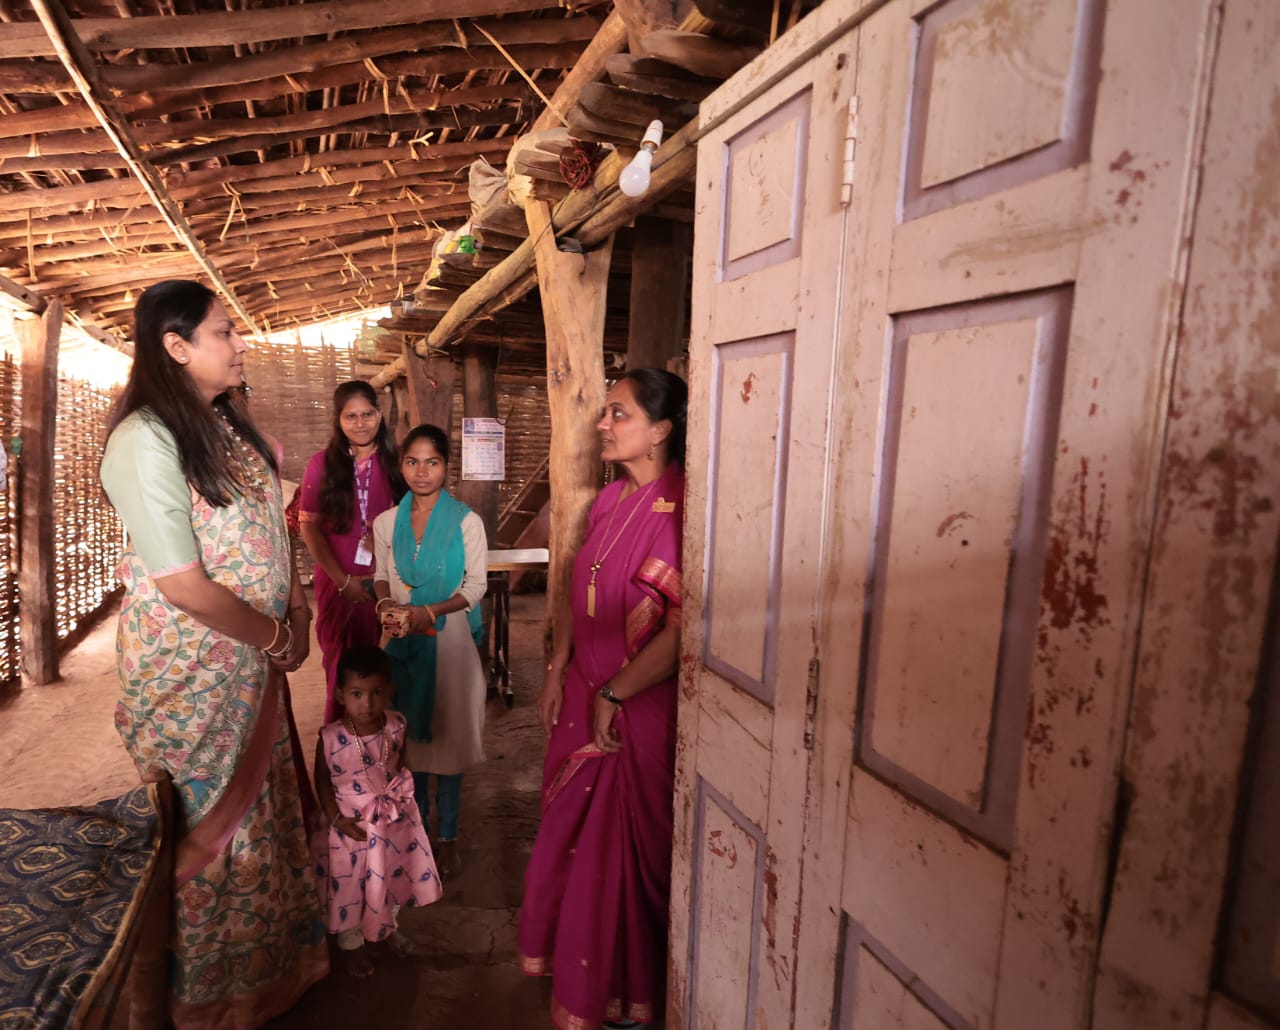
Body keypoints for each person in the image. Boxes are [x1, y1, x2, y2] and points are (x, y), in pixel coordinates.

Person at [99, 279, 327, 1028]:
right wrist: (274, 637)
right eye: (224, 332)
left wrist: (292, 606)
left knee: (260, 825)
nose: (239, 344)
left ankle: (263, 980)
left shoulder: (228, 426)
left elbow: (275, 526)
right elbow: (184, 584)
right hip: (196, 678)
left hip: (251, 671)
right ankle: (199, 1004)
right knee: (207, 841)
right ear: (176, 345)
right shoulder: (145, 440)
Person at [518, 368, 688, 1030]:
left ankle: (627, 990)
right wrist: (559, 662)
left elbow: (683, 627)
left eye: (618, 414)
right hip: (584, 691)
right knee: (568, 838)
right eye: (604, 413)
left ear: (661, 430)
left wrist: (616, 691)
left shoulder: (683, 507)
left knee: (626, 853)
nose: (602, 424)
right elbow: (575, 584)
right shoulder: (610, 503)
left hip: (634, 706)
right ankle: (581, 967)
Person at [373, 423, 488, 876]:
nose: (422, 472)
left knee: (449, 739)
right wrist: (386, 603)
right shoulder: (386, 522)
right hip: (397, 640)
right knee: (410, 746)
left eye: (433, 462)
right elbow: (382, 573)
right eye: (412, 461)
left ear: (447, 467)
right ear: (401, 465)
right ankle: (418, 832)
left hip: (450, 640)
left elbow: (475, 586)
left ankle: (449, 836)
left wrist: (430, 611)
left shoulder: (465, 522)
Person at [313, 645, 443, 977]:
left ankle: (386, 928)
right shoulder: (330, 738)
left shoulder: (397, 725)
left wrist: (411, 812)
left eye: (376, 693)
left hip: (392, 826)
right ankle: (353, 944)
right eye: (357, 693)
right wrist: (337, 819)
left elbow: (403, 765)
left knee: (392, 877)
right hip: (352, 828)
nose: (367, 703)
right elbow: (323, 782)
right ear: (341, 694)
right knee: (352, 886)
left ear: (390, 691)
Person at [298, 380, 404, 723]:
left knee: (384, 670)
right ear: (338, 420)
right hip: (337, 585)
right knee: (342, 672)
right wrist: (344, 582)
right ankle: (340, 755)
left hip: (387, 585)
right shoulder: (322, 465)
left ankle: (383, 757)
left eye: (367, 414)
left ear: (380, 414)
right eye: (351, 416)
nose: (360, 423)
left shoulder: (398, 463)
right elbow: (309, 526)